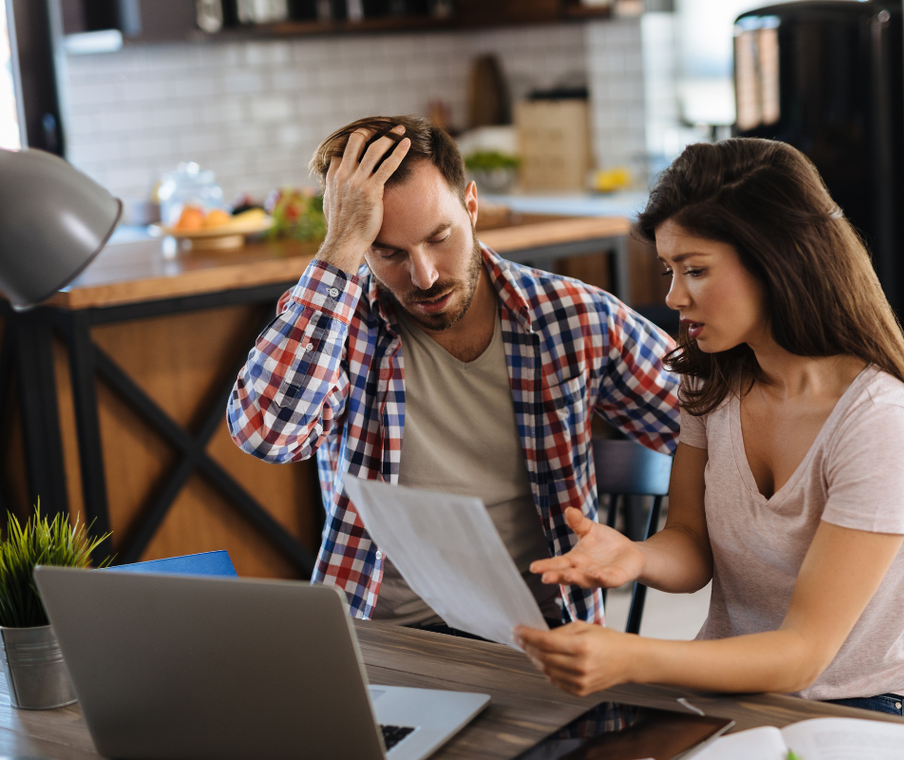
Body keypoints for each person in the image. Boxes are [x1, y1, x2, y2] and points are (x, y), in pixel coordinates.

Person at [514, 138, 904, 721]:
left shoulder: (881, 424)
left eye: (695, 270)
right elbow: (691, 547)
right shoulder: (710, 383)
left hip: (861, 705)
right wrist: (635, 557)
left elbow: (802, 656)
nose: (673, 296)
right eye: (670, 270)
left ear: (777, 260)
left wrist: (633, 656)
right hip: (731, 693)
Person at [226, 115, 679, 629]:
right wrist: (338, 251)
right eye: (388, 251)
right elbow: (266, 434)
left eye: (439, 237)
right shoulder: (340, 328)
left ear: (471, 204)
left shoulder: (572, 318)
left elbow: (713, 425)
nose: (424, 276)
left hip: (538, 637)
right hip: (381, 640)